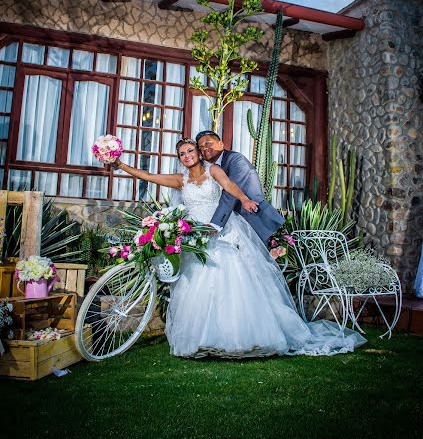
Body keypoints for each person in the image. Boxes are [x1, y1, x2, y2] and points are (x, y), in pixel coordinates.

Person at [112, 139, 366, 359]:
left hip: (222, 231)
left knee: (231, 281)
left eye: (191, 151)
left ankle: (241, 338)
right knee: (197, 287)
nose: (187, 156)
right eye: (182, 154)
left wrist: (244, 198)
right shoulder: (181, 180)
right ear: (180, 158)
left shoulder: (214, 170)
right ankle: (203, 341)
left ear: (198, 153)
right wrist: (121, 165)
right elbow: (148, 177)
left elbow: (230, 186)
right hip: (196, 237)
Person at [196, 130, 284, 245]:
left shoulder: (236, 160)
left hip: (256, 220)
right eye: (201, 147)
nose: (204, 149)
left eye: (208, 143)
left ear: (221, 144)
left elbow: (230, 192)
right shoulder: (208, 168)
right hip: (231, 224)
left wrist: (215, 224)